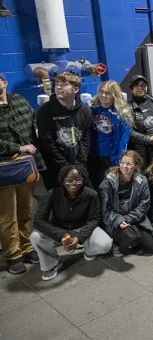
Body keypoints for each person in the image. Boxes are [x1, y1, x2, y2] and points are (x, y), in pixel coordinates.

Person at [31, 164, 113, 281]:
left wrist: (79, 238)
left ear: (83, 179)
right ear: (62, 180)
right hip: (60, 228)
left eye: (78, 179)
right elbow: (38, 221)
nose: (73, 183)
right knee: (36, 236)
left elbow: (94, 219)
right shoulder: (52, 194)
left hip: (82, 227)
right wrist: (62, 235)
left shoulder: (91, 194)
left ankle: (89, 250)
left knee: (106, 244)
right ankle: (52, 263)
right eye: (69, 180)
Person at [0, 72, 45, 274]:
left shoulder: (18, 100)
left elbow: (34, 122)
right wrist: (18, 147)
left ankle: (27, 247)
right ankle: (13, 254)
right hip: (4, 168)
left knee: (26, 210)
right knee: (7, 214)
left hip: (26, 166)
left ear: (4, 82)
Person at [37, 72, 92, 189]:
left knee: (86, 197)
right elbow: (47, 141)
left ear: (75, 89)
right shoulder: (45, 110)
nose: (58, 87)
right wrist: (65, 166)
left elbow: (86, 138)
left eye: (63, 84)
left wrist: (80, 163)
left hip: (79, 164)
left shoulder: (85, 110)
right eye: (56, 84)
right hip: (55, 167)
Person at [99, 150, 153, 256]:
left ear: (136, 165)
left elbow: (144, 205)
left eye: (129, 164)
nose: (124, 166)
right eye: (122, 162)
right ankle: (118, 244)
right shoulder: (108, 183)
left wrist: (128, 219)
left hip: (134, 218)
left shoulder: (142, 180)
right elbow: (105, 210)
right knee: (129, 240)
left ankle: (133, 238)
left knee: (151, 249)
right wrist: (119, 220)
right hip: (115, 221)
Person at [88, 80, 132, 189]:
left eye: (107, 93)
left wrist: (119, 159)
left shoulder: (121, 113)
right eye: (101, 92)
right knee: (96, 185)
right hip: (93, 155)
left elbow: (124, 139)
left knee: (112, 186)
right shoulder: (90, 110)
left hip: (111, 156)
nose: (103, 95)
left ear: (114, 95)